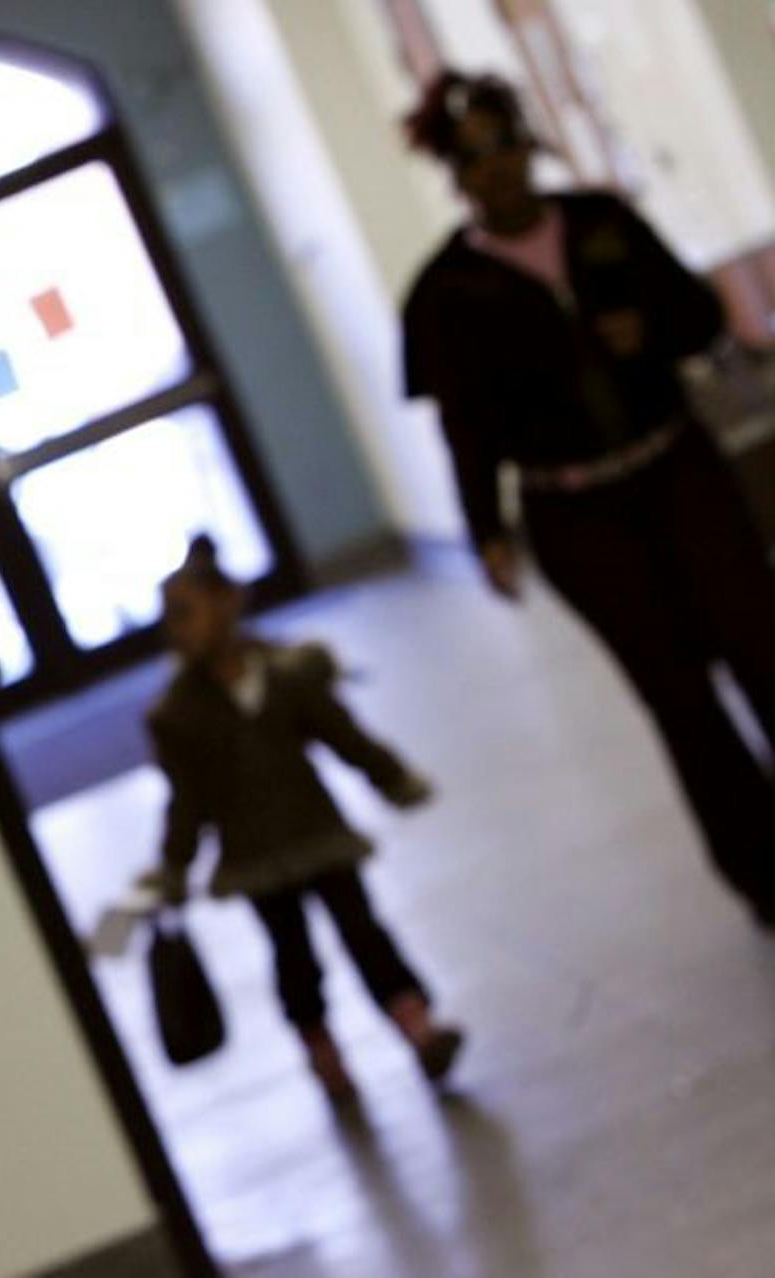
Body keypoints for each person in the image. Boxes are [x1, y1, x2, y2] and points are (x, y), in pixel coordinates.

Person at [400, 71, 775, 922]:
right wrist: (484, 531)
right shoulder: (446, 294)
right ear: (457, 178)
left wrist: (651, 327)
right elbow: (465, 427)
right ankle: (762, 872)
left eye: (505, 147)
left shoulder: (605, 221)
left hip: (677, 470)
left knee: (761, 645)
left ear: (527, 147)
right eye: (475, 160)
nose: (497, 170)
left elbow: (700, 317)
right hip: (577, 514)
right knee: (679, 696)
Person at [148, 537, 463, 1101]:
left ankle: (416, 1024)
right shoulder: (178, 714)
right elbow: (186, 801)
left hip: (318, 834)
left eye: (185, 614)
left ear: (228, 602)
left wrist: (390, 776)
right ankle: (321, 1050)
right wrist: (175, 867)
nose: (178, 631)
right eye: (170, 621)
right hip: (255, 858)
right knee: (293, 956)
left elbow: (342, 733)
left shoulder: (288, 673)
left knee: (363, 930)